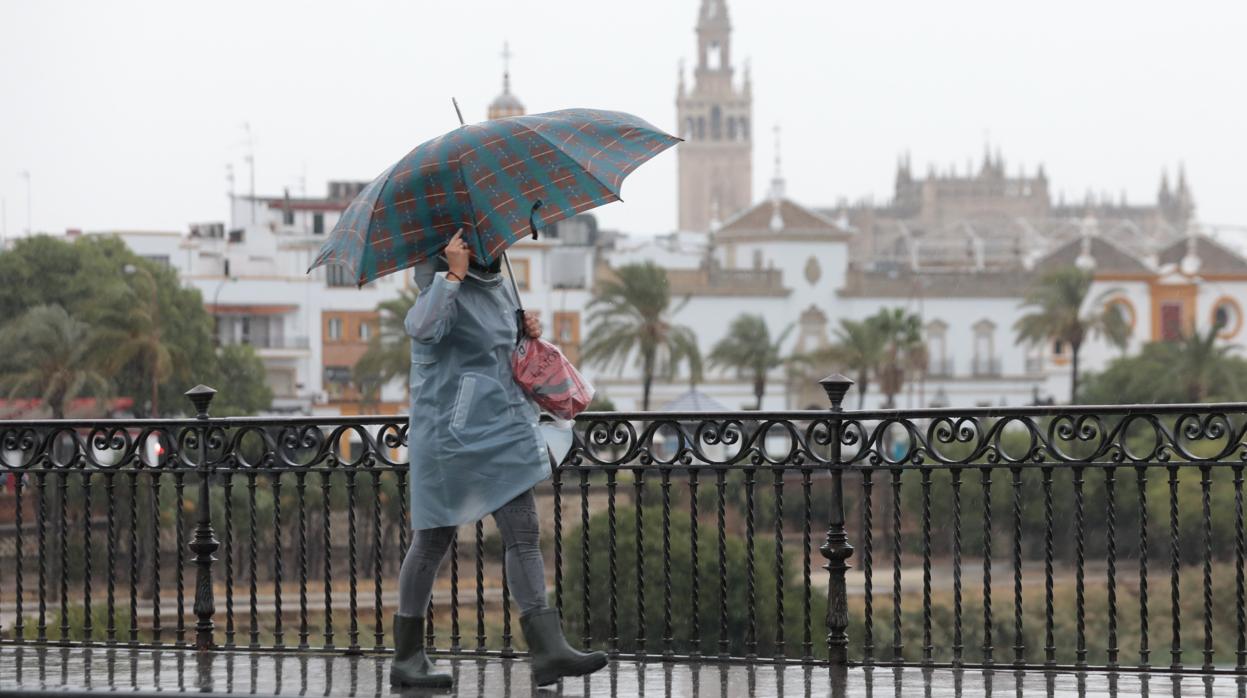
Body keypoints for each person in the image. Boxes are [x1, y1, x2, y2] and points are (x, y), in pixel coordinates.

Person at [390, 230, 607, 688]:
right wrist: (452, 274)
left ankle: (548, 650)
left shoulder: (500, 277)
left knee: (524, 531)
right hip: (449, 433)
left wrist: (525, 330)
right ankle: (407, 657)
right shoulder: (439, 281)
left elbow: (496, 347)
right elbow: (423, 328)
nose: (488, 241)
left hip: (500, 427)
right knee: (431, 540)